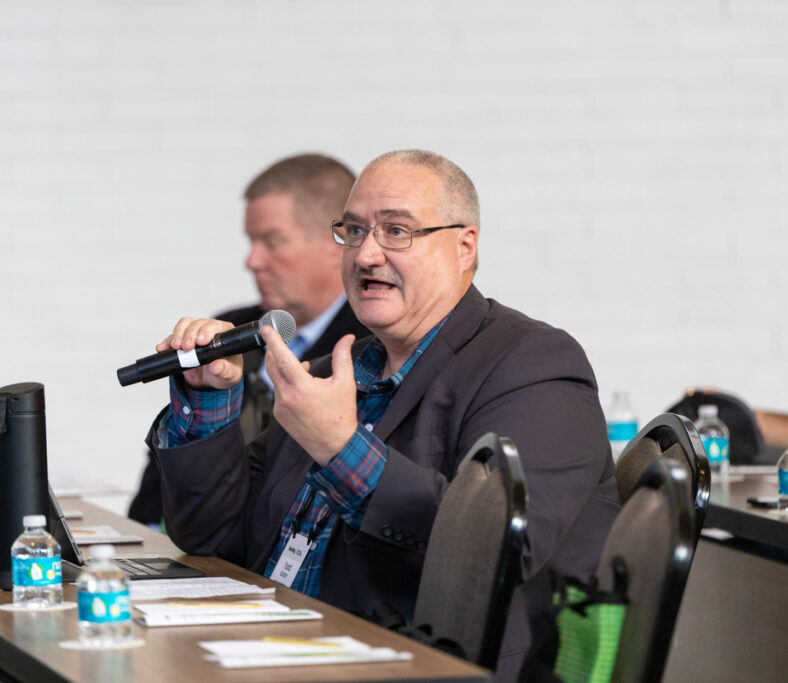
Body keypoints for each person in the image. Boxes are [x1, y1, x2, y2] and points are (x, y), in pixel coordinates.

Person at [146, 149, 619, 679]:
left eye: (397, 231)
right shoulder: (333, 369)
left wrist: (339, 446)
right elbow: (213, 538)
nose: (366, 255)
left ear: (465, 246)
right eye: (353, 231)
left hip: (418, 665)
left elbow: (498, 548)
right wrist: (211, 397)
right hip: (268, 647)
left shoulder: (533, 364)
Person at [128, 153, 369, 525]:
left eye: (272, 241)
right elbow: (152, 500)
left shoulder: (370, 346)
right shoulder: (232, 330)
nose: (252, 261)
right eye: (251, 241)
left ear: (335, 242)